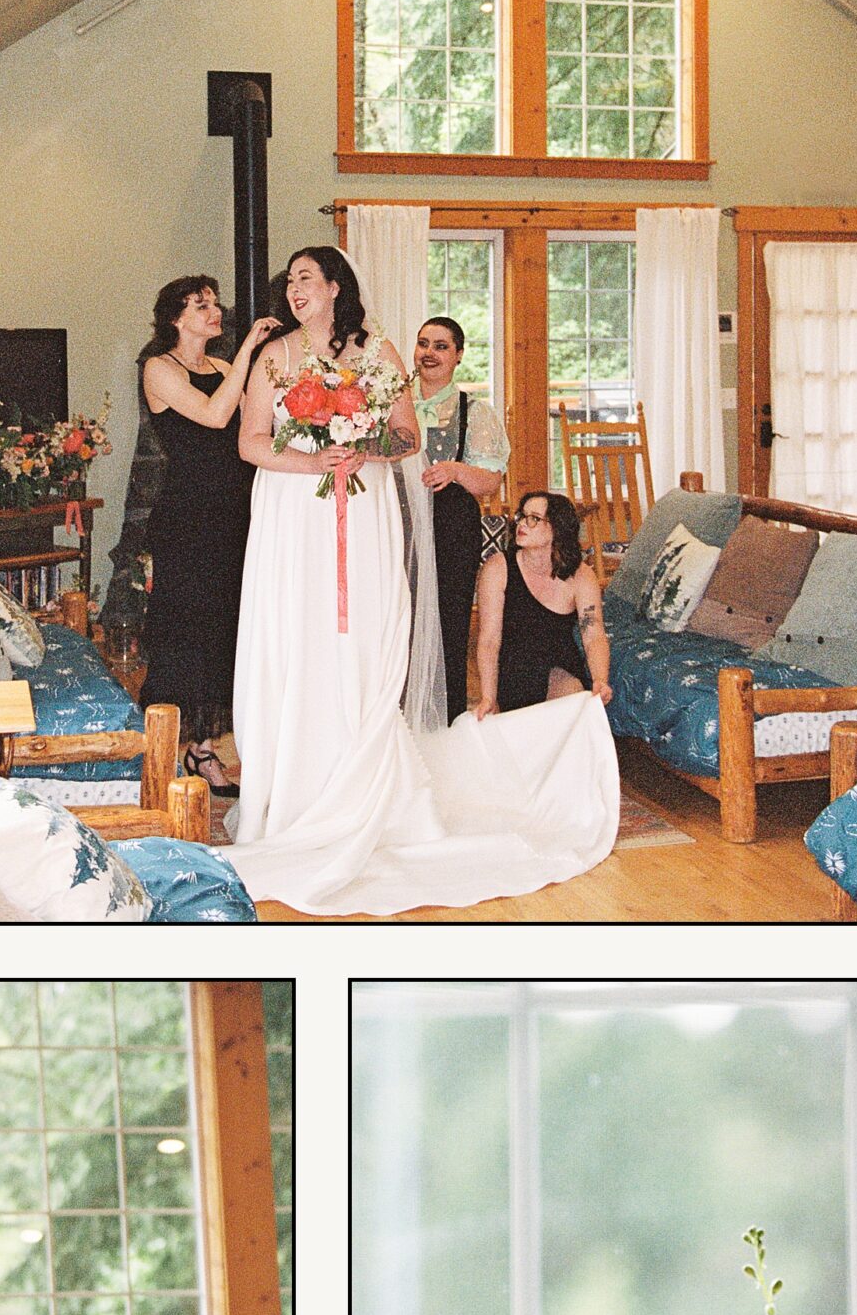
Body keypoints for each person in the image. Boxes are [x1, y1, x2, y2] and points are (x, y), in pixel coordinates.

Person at [226, 245, 619, 917]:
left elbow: (406, 436)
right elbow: (251, 441)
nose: (293, 289)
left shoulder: (377, 351)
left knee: (365, 638)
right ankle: (296, 786)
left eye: (306, 278)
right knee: (300, 634)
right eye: (288, 281)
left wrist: (364, 448)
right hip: (295, 510)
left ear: (334, 286)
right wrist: (314, 457)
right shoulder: (273, 356)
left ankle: (370, 780)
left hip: (367, 503)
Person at [137, 276, 280, 795]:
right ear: (176, 317)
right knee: (187, 633)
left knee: (224, 634)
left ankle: (204, 753)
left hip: (235, 514)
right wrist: (249, 348)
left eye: (216, 303)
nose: (214, 311)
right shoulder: (158, 368)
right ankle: (162, 753)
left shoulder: (221, 368)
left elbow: (256, 428)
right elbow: (216, 414)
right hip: (190, 519)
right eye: (202, 305)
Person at [413, 315, 510, 721]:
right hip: (398, 523)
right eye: (423, 344)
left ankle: (446, 717)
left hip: (451, 525)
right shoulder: (392, 403)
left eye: (440, 346)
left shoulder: (474, 411)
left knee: (448, 623)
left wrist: (454, 470)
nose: (429, 353)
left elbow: (490, 480)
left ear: (458, 356)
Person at [474, 491, 612, 717]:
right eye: (521, 516)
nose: (522, 524)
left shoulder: (581, 575)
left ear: (556, 528)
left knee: (576, 703)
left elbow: (594, 635)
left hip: (559, 665)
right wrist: (489, 697)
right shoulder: (497, 568)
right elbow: (489, 641)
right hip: (516, 670)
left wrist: (600, 681)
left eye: (534, 518)